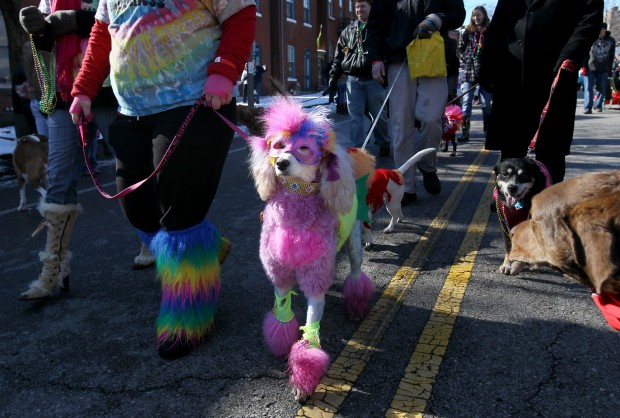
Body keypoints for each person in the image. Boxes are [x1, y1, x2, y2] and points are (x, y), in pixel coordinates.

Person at [69, 0, 256, 359]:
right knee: (136, 207)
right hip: (131, 109)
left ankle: (192, 310)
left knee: (180, 211)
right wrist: (84, 88)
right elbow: (101, 34)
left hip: (194, 102)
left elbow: (240, 13)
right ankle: (205, 254)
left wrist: (225, 68)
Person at [17, 1, 118, 302]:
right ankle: (53, 268)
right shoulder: (49, 0)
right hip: (63, 96)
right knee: (59, 179)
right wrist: (38, 30)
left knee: (132, 169)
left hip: (110, 91)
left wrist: (72, 18)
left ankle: (156, 246)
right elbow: (46, 47)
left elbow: (119, 25)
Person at [480, 0, 603, 185]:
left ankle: (549, 199)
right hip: (512, 76)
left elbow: (590, 20)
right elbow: (497, 26)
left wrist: (571, 54)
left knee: (551, 146)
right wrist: (487, 67)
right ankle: (509, 202)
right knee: (512, 142)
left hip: (554, 73)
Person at [366, 0, 466, 205]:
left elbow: (458, 13)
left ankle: (427, 165)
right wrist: (376, 59)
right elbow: (376, 24)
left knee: (431, 119)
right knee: (401, 125)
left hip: (433, 55)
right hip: (398, 58)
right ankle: (405, 186)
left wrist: (438, 19)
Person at [328, 0, 391, 156]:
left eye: (363, 6)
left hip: (374, 79)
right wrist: (333, 77)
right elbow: (339, 56)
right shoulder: (347, 31)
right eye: (357, 7)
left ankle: (384, 142)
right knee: (355, 117)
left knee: (378, 115)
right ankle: (358, 150)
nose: (359, 9)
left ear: (371, 8)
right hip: (353, 80)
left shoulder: (379, 28)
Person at [456, 5, 492, 142]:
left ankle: (488, 132)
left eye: (479, 15)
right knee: (466, 103)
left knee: (486, 105)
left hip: (485, 74)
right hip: (469, 73)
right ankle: (465, 133)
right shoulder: (467, 31)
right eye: (474, 15)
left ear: (484, 16)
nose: (476, 18)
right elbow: (459, 49)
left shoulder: (489, 31)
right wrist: (467, 59)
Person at [582, 22, 616, 113]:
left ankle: (598, 105)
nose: (599, 31)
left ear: (605, 30)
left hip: (603, 68)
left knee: (601, 88)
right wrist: (584, 67)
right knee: (588, 88)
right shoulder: (590, 39)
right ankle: (587, 107)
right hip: (590, 67)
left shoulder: (611, 41)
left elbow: (611, 56)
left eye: (601, 29)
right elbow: (585, 53)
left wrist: (610, 69)